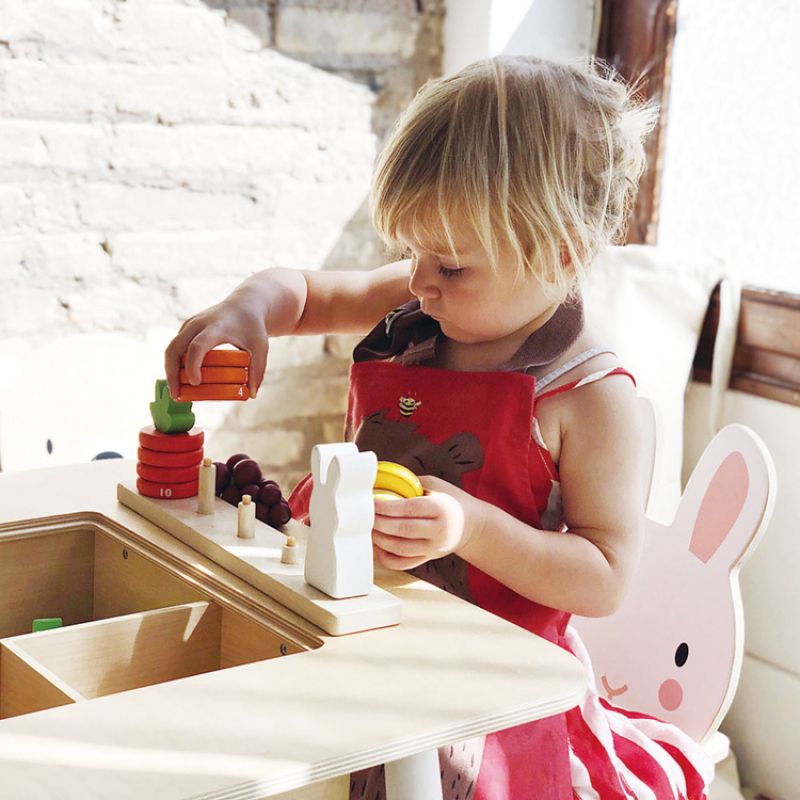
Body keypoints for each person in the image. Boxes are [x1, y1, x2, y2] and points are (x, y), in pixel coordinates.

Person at [165, 55, 713, 799]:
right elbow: (304, 294)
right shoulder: (425, 302)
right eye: (411, 252)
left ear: (562, 252)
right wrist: (249, 309)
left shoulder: (590, 398)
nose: (419, 281)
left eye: (450, 266)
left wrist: (471, 528)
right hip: (364, 632)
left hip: (486, 693)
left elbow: (606, 577)